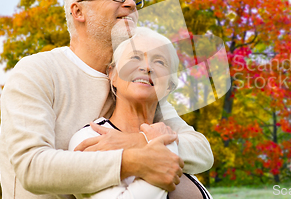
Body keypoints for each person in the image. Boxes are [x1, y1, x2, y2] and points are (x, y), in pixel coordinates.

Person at [0, 0, 214, 198]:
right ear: (79, 11)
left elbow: (201, 151)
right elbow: (31, 167)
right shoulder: (38, 71)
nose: (131, 4)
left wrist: (137, 141)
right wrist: (132, 160)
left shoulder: (135, 83)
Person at [68, 27, 212, 199]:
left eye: (160, 62)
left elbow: (204, 154)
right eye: (135, 57)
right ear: (112, 75)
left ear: (169, 87)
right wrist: (163, 146)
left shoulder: (168, 132)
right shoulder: (92, 137)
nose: (146, 67)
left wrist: (148, 141)